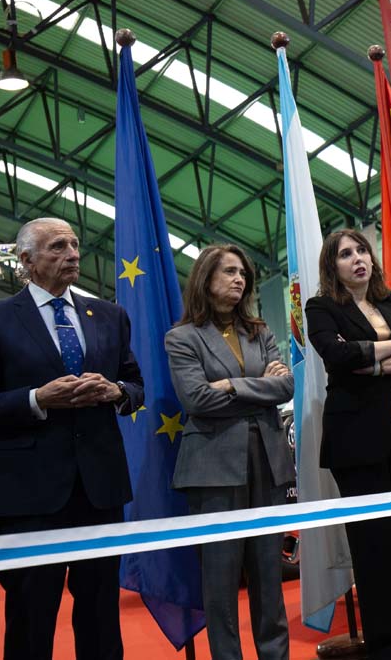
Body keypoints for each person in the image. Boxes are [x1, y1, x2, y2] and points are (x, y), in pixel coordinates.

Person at [0, 217, 144, 660]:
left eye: (75, 244)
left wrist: (116, 392)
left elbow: (135, 384)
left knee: (101, 609)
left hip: (99, 488)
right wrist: (36, 399)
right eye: (57, 247)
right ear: (27, 261)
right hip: (30, 495)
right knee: (31, 613)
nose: (73, 254)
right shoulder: (1, 319)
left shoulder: (111, 315)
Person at [305, 230, 391, 660]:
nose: (357, 259)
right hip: (357, 445)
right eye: (346, 254)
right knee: (374, 547)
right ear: (333, 265)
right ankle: (388, 647)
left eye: (362, 250)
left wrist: (375, 360)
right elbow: (336, 355)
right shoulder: (322, 307)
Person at [165, 244, 293, 660]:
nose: (239, 280)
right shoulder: (182, 338)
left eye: (243, 274)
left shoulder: (260, 331)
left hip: (267, 461)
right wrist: (259, 387)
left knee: (269, 576)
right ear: (205, 279)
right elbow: (198, 400)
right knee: (220, 583)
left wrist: (232, 386)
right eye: (229, 272)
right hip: (213, 468)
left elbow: (287, 387)